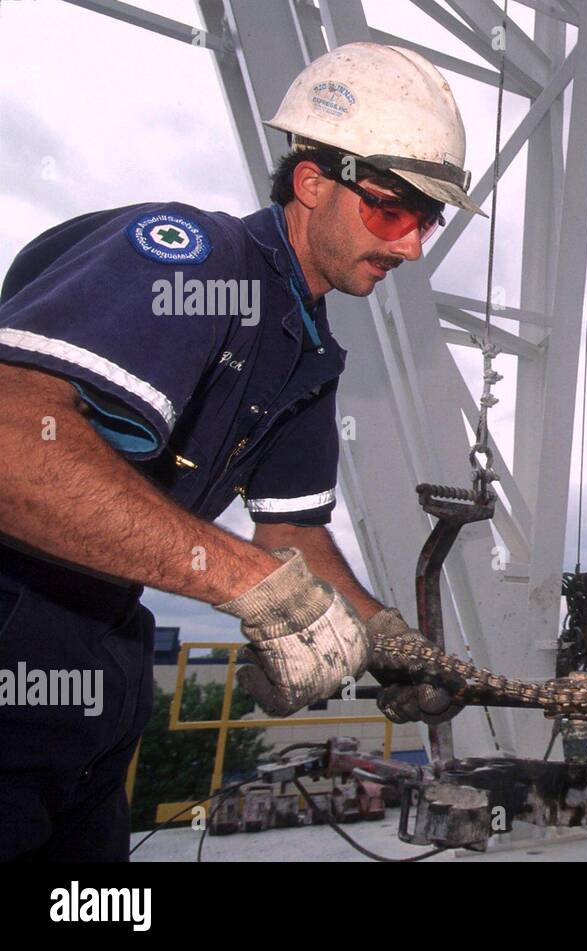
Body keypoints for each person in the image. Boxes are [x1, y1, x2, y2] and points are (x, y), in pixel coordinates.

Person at [0, 42, 475, 862]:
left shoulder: (306, 352)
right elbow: (12, 438)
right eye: (393, 212)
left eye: (427, 221)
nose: (412, 248)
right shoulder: (195, 258)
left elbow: (292, 540)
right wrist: (250, 586)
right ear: (313, 181)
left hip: (100, 670)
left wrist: (383, 635)